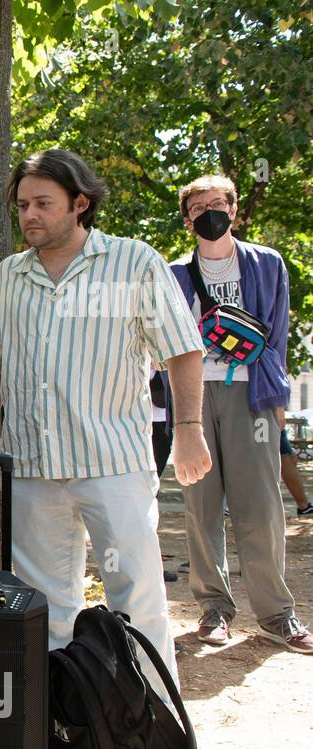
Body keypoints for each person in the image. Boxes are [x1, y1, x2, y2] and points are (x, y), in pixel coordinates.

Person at [0, 148, 212, 706]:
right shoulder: (8, 276)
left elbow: (182, 350)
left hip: (115, 464)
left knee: (140, 599)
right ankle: (59, 728)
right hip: (31, 468)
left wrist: (191, 429)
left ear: (80, 204)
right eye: (23, 204)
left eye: (43, 204)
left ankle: (155, 725)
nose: (29, 215)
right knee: (45, 605)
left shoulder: (135, 263)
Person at [168, 174, 310, 653]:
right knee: (200, 503)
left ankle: (277, 613)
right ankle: (213, 607)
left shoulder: (267, 263)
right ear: (188, 218)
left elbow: (278, 334)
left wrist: (278, 399)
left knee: (261, 505)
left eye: (219, 203)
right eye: (199, 206)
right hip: (194, 398)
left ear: (232, 209)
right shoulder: (175, 275)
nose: (210, 212)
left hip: (253, 394)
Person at [280, 429, 312, 515]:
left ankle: (304, 505)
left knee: (289, 458)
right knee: (287, 458)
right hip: (267, 422)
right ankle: (304, 506)